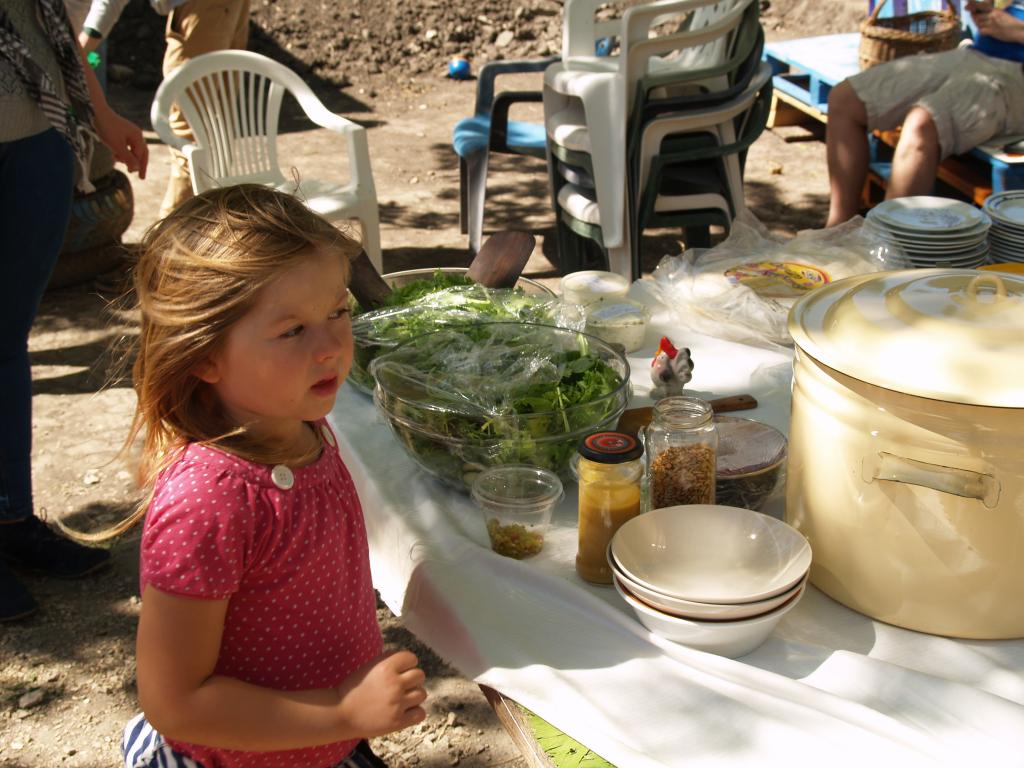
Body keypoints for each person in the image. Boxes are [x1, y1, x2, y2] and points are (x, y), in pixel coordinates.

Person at [112, 185, 427, 768]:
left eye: (337, 311)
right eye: (292, 331)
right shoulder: (208, 502)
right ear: (204, 355)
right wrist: (341, 712)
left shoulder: (302, 421)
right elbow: (174, 702)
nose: (331, 345)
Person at [0, 0, 148, 622]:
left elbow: (49, 18)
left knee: (8, 345)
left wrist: (103, 113)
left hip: (38, 139)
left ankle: (11, 520)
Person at [825, 0, 1024, 227]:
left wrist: (1017, 31)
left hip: (1016, 76)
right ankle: (838, 229)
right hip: (979, 55)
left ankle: (884, 241)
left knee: (921, 124)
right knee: (845, 99)